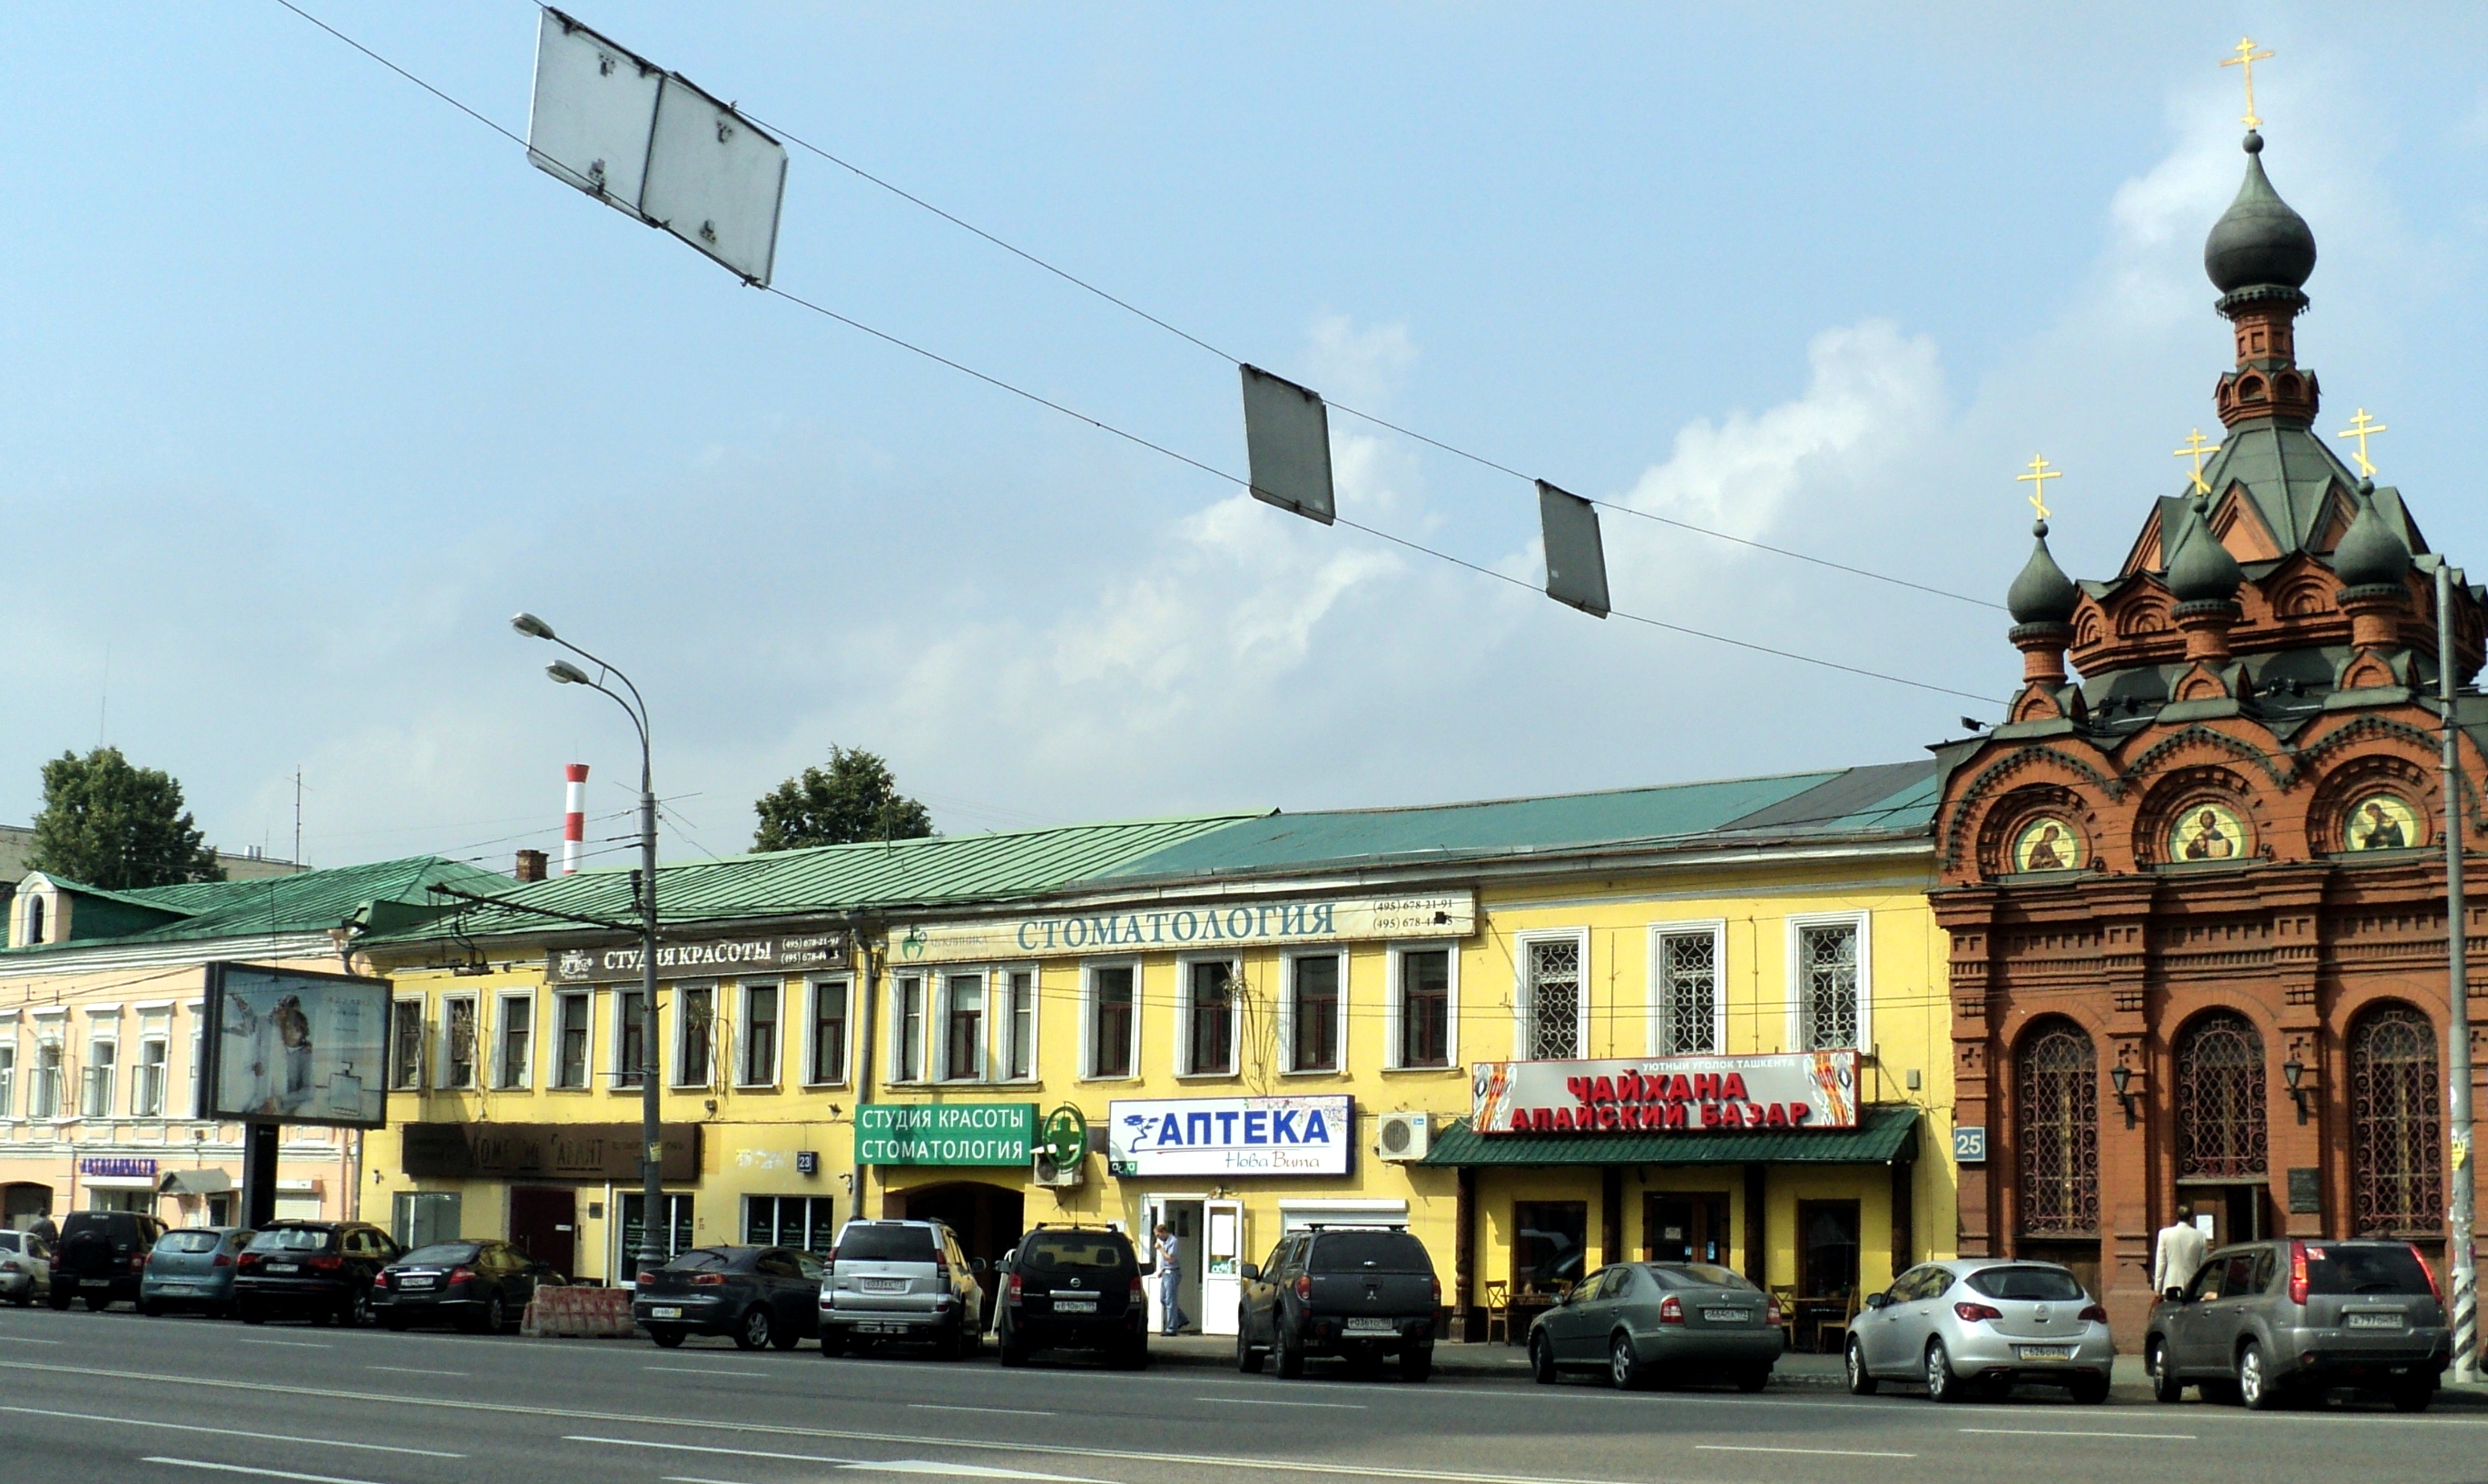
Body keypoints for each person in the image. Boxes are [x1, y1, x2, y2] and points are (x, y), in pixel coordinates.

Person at [2152, 1205, 2208, 1299]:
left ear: (2177, 1216)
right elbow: (2203, 1264)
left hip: (2171, 1284)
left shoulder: (2164, 1234)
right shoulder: (2201, 1236)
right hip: (2193, 1284)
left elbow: (2161, 1262)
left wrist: (2157, 1287)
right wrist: (2204, 1288)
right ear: (2191, 1218)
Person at [1154, 1223, 1185, 1336]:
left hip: (1172, 1274)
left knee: (1171, 1301)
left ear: (1164, 1232)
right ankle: (1181, 1319)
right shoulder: (1165, 1242)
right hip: (1166, 1273)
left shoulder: (1173, 1241)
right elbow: (1166, 1261)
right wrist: (1161, 1270)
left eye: (1158, 1235)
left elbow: (1171, 1259)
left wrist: (1160, 1249)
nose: (1158, 1238)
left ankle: (1171, 1328)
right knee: (1163, 1299)